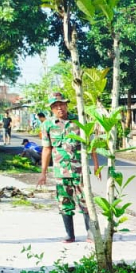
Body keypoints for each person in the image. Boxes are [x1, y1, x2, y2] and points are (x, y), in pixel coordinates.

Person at [40, 94, 90, 244]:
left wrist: (96, 166)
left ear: (67, 105)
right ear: (51, 109)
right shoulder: (47, 125)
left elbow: (90, 144)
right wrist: (43, 172)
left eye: (62, 104)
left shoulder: (79, 121)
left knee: (86, 202)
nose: (59, 108)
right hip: (60, 171)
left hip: (79, 170)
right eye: (55, 106)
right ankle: (70, 235)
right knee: (64, 202)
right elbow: (47, 149)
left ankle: (91, 234)